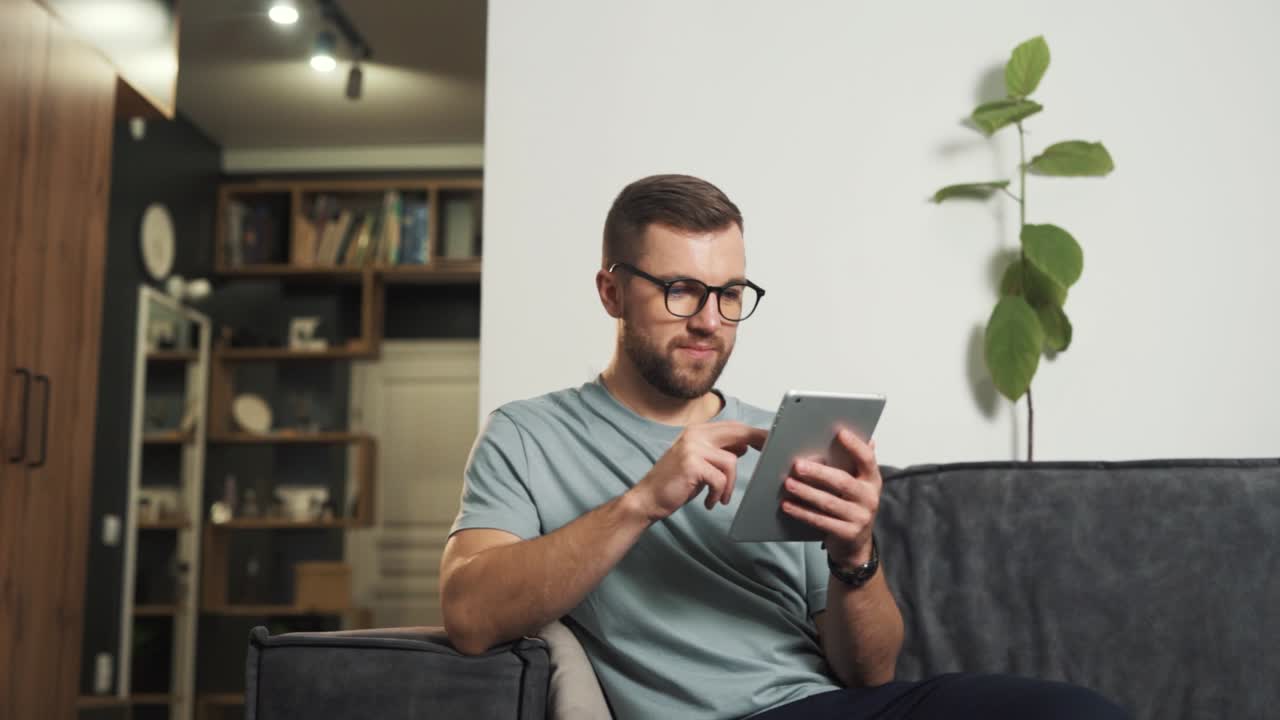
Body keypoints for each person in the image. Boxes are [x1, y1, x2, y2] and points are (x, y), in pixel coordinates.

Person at [440, 174, 1129, 720]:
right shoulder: (527, 436)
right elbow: (469, 615)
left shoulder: (784, 439)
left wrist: (856, 554)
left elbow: (870, 674)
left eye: (730, 294)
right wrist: (643, 502)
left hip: (833, 707)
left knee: (1082, 713)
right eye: (681, 291)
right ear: (611, 293)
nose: (710, 321)